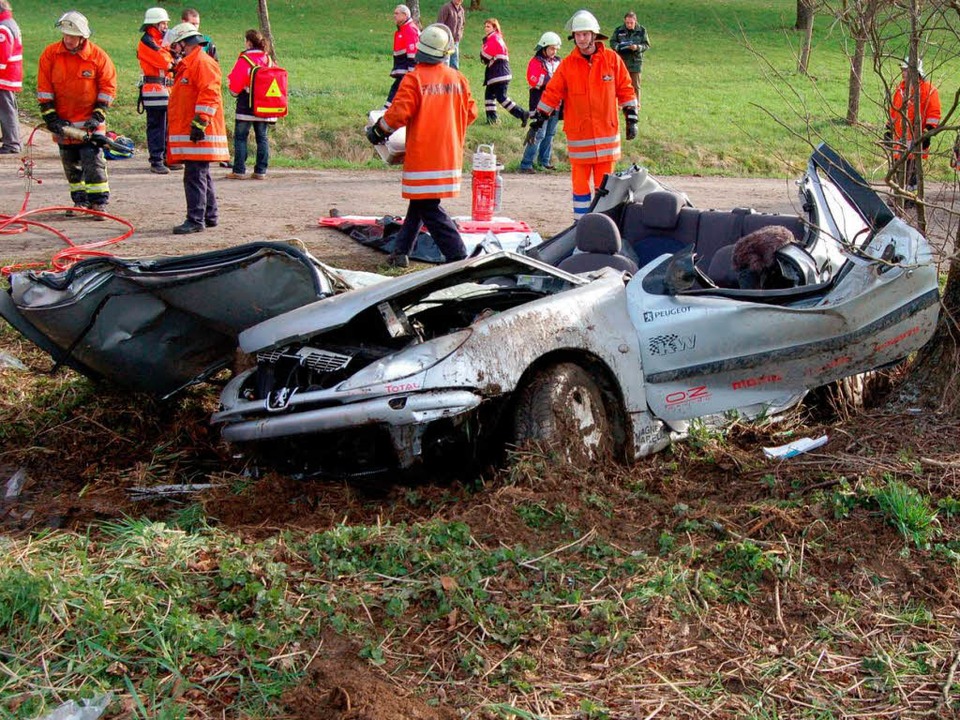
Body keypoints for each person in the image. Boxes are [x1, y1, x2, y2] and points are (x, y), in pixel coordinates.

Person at [366, 23, 478, 268]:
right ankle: (400, 252)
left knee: (428, 206)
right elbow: (471, 113)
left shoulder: (414, 79)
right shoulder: (458, 79)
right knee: (420, 202)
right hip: (450, 156)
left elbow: (397, 115)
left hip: (424, 158)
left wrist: (377, 131)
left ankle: (457, 255)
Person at [527, 10, 637, 219]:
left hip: (606, 137)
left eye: (585, 34)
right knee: (580, 188)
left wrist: (632, 118)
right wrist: (537, 121)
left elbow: (626, 89)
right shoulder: (568, 65)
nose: (581, 39)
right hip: (580, 138)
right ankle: (579, 228)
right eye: (577, 35)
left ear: (594, 35)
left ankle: (603, 227)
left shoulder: (612, 59)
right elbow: (552, 93)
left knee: (604, 189)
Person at [37, 11, 118, 216]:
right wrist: (51, 118)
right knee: (71, 165)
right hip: (63, 124)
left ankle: (98, 203)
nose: (68, 40)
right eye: (65, 35)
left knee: (94, 163)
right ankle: (79, 201)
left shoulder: (98, 57)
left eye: (72, 36)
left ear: (83, 37)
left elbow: (108, 88)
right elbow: (44, 89)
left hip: (90, 123)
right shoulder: (51, 54)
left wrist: (98, 115)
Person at [166, 21, 228, 234]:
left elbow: (209, 94)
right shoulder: (191, 63)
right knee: (201, 174)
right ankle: (209, 215)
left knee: (194, 176)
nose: (173, 49)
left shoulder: (201, 63)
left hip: (200, 131)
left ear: (184, 44)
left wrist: (200, 122)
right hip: (196, 130)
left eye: (176, 45)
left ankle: (195, 220)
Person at [225, 29, 274, 180]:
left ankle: (239, 170)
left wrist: (234, 92)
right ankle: (261, 171)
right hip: (265, 105)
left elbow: (235, 86)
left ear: (249, 43)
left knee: (241, 137)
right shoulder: (269, 60)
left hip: (246, 105)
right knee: (262, 138)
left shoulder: (245, 60)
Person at [888, 56, 940, 193]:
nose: (902, 73)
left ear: (914, 71)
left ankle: (910, 198)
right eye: (902, 70)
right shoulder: (900, 89)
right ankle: (898, 197)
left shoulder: (929, 90)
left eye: (905, 70)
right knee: (899, 171)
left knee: (911, 172)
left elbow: (934, 115)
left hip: (916, 140)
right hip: (898, 140)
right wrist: (888, 129)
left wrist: (927, 134)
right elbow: (894, 111)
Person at [137, 7, 176, 174]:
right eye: (164, 23)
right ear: (156, 24)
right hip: (154, 89)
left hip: (164, 88)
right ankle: (156, 160)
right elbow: (165, 61)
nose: (166, 26)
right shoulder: (147, 41)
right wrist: (172, 57)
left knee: (167, 125)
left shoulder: (159, 41)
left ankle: (166, 158)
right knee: (157, 126)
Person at [519, 32, 561, 174]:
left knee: (550, 134)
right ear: (543, 48)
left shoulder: (558, 61)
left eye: (555, 49)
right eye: (551, 49)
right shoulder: (535, 62)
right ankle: (526, 163)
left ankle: (544, 161)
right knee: (538, 133)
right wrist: (553, 82)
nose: (554, 52)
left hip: (556, 104)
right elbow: (534, 80)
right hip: (540, 104)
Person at [480, 18, 527, 125]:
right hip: (499, 73)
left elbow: (485, 57)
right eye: (485, 26)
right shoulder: (497, 38)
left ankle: (522, 113)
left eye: (488, 26)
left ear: (494, 27)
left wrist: (483, 50)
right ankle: (492, 120)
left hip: (498, 74)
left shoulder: (493, 39)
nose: (486, 28)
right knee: (489, 96)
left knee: (501, 97)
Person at [385, 4, 419, 109]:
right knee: (398, 89)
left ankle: (387, 110)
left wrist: (411, 73)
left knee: (398, 89)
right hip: (403, 67)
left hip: (407, 68)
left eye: (396, 13)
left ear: (404, 15)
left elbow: (413, 53)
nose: (394, 16)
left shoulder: (409, 30)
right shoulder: (404, 28)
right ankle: (388, 109)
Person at [611, 11, 649, 102]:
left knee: (635, 85)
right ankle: (620, 104)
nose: (629, 25)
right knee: (619, 84)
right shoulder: (619, 30)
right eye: (627, 22)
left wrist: (637, 47)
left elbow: (646, 45)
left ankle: (636, 105)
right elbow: (613, 42)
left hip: (635, 62)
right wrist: (618, 47)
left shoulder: (642, 30)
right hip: (621, 62)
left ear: (635, 21)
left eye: (631, 23)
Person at [0, 0, 22, 155]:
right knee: (8, 108)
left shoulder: (3, 28)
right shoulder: (10, 22)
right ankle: (11, 140)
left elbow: (2, 55)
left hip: (4, 76)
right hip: (10, 74)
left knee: (6, 109)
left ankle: (12, 144)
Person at [436, 0, 464, 70]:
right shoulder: (446, 7)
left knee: (454, 63)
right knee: (445, 62)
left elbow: (463, 24)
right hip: (446, 42)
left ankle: (454, 79)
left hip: (455, 42)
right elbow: (440, 24)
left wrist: (460, 34)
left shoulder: (461, 10)